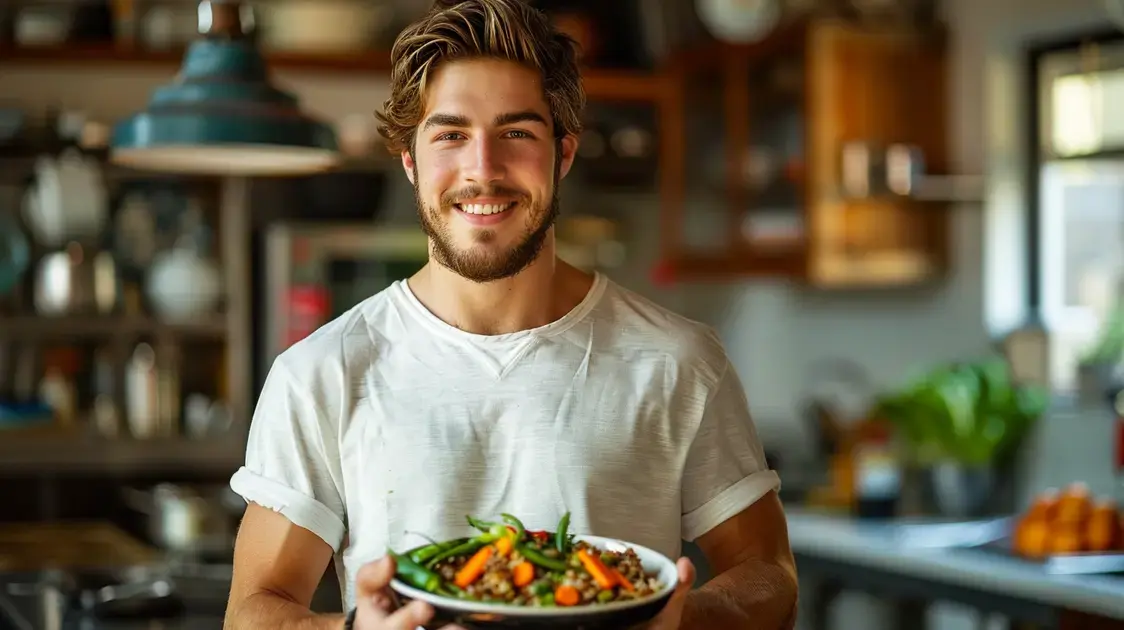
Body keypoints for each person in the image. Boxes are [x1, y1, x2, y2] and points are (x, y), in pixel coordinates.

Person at [222, 0, 797, 628]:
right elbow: (254, 612)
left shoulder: (679, 362)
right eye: (451, 135)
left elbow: (770, 574)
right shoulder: (322, 372)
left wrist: (688, 620)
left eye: (517, 133)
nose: (483, 170)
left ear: (564, 154)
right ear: (411, 162)